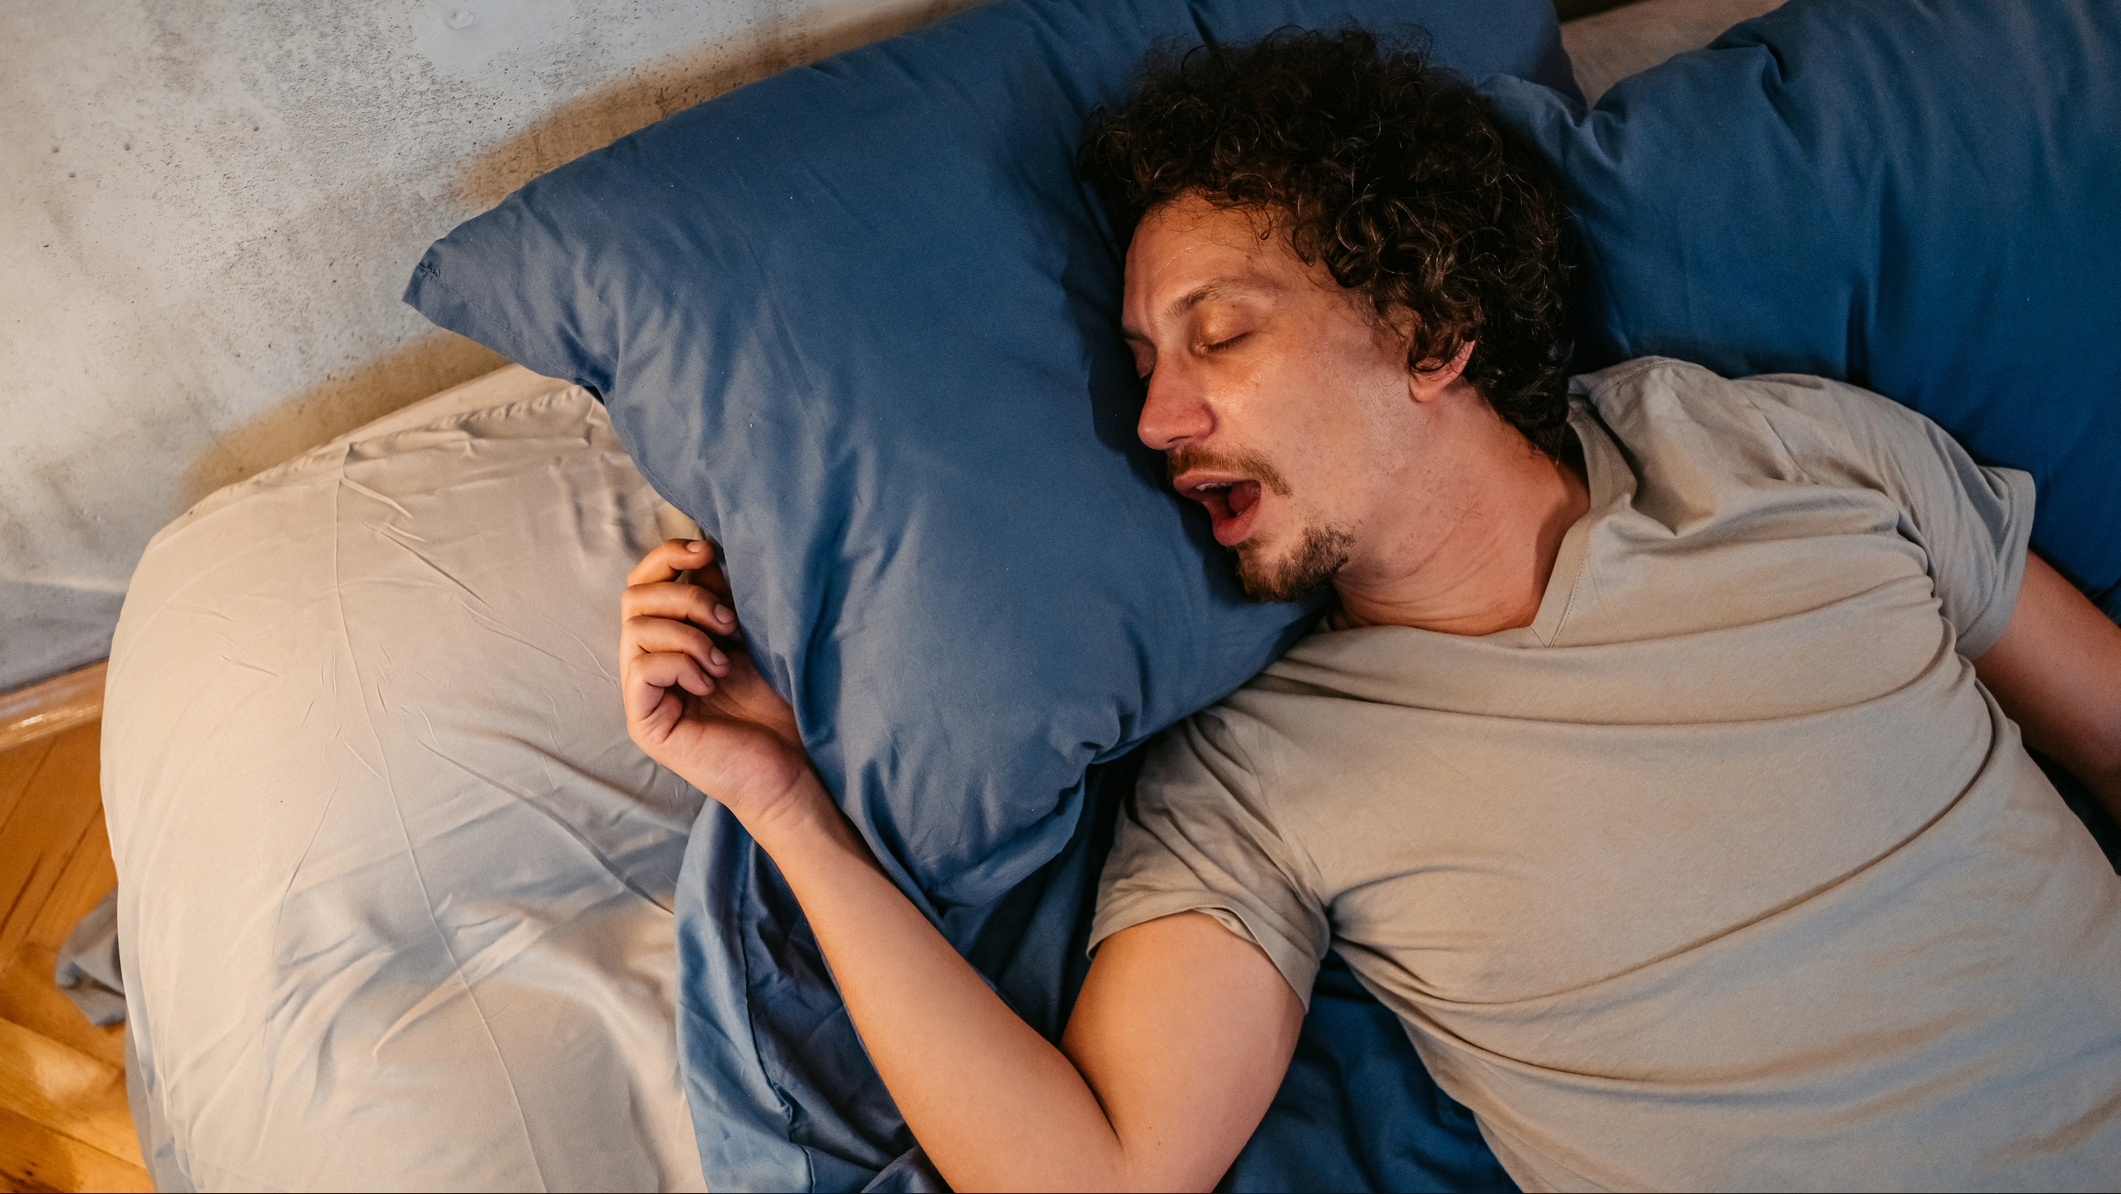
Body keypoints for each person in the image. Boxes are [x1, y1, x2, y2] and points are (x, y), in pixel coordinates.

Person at [616, 30, 2121, 1192]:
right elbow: (1101, 1168)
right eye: (1145, 363)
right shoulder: (1261, 771)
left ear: (1426, 326)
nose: (1157, 418)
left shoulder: (1781, 449)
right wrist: (786, 805)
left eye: (1219, 334)